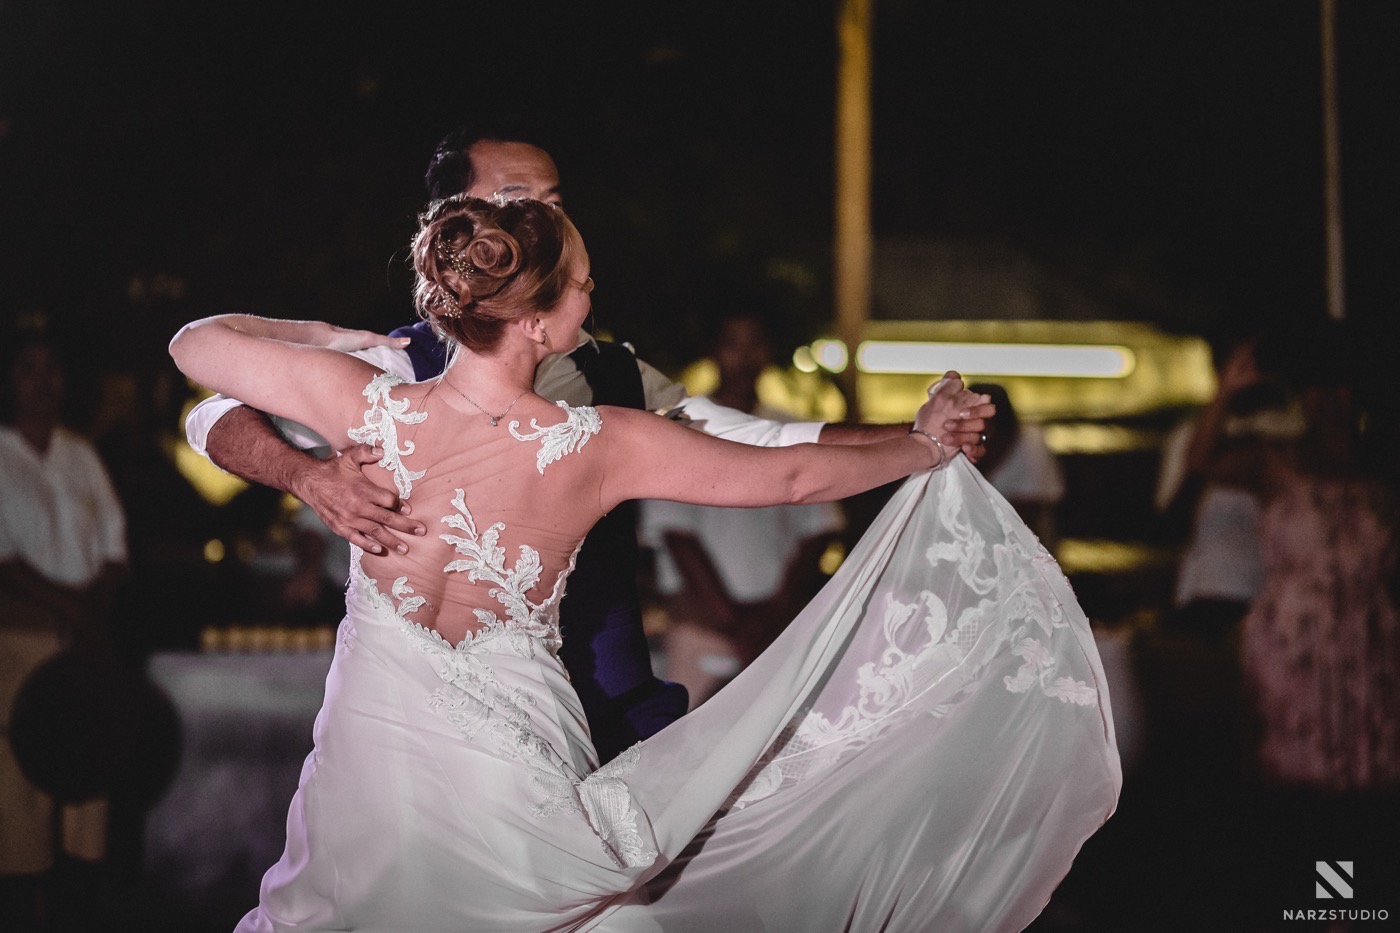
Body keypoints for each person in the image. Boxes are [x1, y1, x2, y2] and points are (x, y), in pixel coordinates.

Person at [170, 197, 1119, 931]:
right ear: (537, 322)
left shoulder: (366, 404)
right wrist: (919, 447)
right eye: (581, 282)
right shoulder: (594, 442)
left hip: (367, 759)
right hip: (509, 762)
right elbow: (787, 477)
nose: (592, 294)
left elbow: (197, 344)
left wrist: (336, 344)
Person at [184, 129, 932, 761]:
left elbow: (767, 443)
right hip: (416, 735)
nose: (541, 218)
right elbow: (212, 414)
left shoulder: (613, 376)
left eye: (553, 202)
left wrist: (915, 435)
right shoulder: (385, 366)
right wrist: (307, 477)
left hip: (606, 701)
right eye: (517, 202)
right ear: (459, 222)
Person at [642, 312, 845, 706]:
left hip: (779, 626)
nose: (745, 357)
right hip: (703, 624)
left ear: (768, 352)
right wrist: (737, 624)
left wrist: (773, 617)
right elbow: (678, 537)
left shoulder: (792, 429)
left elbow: (818, 530)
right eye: (733, 344)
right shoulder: (680, 427)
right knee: (694, 745)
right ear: (713, 352)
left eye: (755, 344)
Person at [0, 329, 127, 927]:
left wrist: (88, 610)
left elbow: (113, 550)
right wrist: (67, 608)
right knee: (18, 799)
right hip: (19, 647)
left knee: (85, 798)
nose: (43, 381)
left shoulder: (79, 454)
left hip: (84, 645)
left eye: (52, 368)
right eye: (29, 368)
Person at [967, 382, 1064, 553]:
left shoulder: (1031, 445)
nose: (982, 436)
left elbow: (1028, 520)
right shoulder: (952, 442)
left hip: (1029, 550)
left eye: (987, 426)